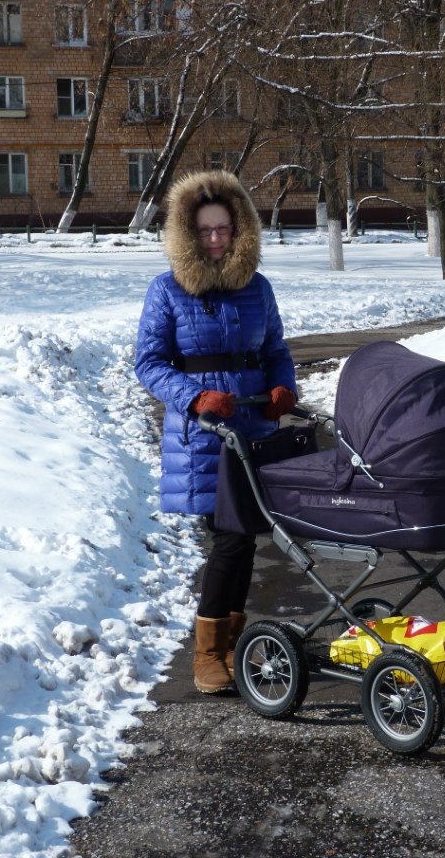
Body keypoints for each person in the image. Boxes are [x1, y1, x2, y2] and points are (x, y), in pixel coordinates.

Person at [135, 169, 297, 694]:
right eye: (204, 230)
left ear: (239, 228)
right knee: (230, 539)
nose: (214, 239)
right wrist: (194, 396)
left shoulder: (258, 288)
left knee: (244, 540)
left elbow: (275, 350)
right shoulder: (167, 291)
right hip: (203, 437)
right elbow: (149, 363)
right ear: (187, 233)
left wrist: (282, 388)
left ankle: (230, 647)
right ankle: (208, 655)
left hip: (252, 428)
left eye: (223, 229)